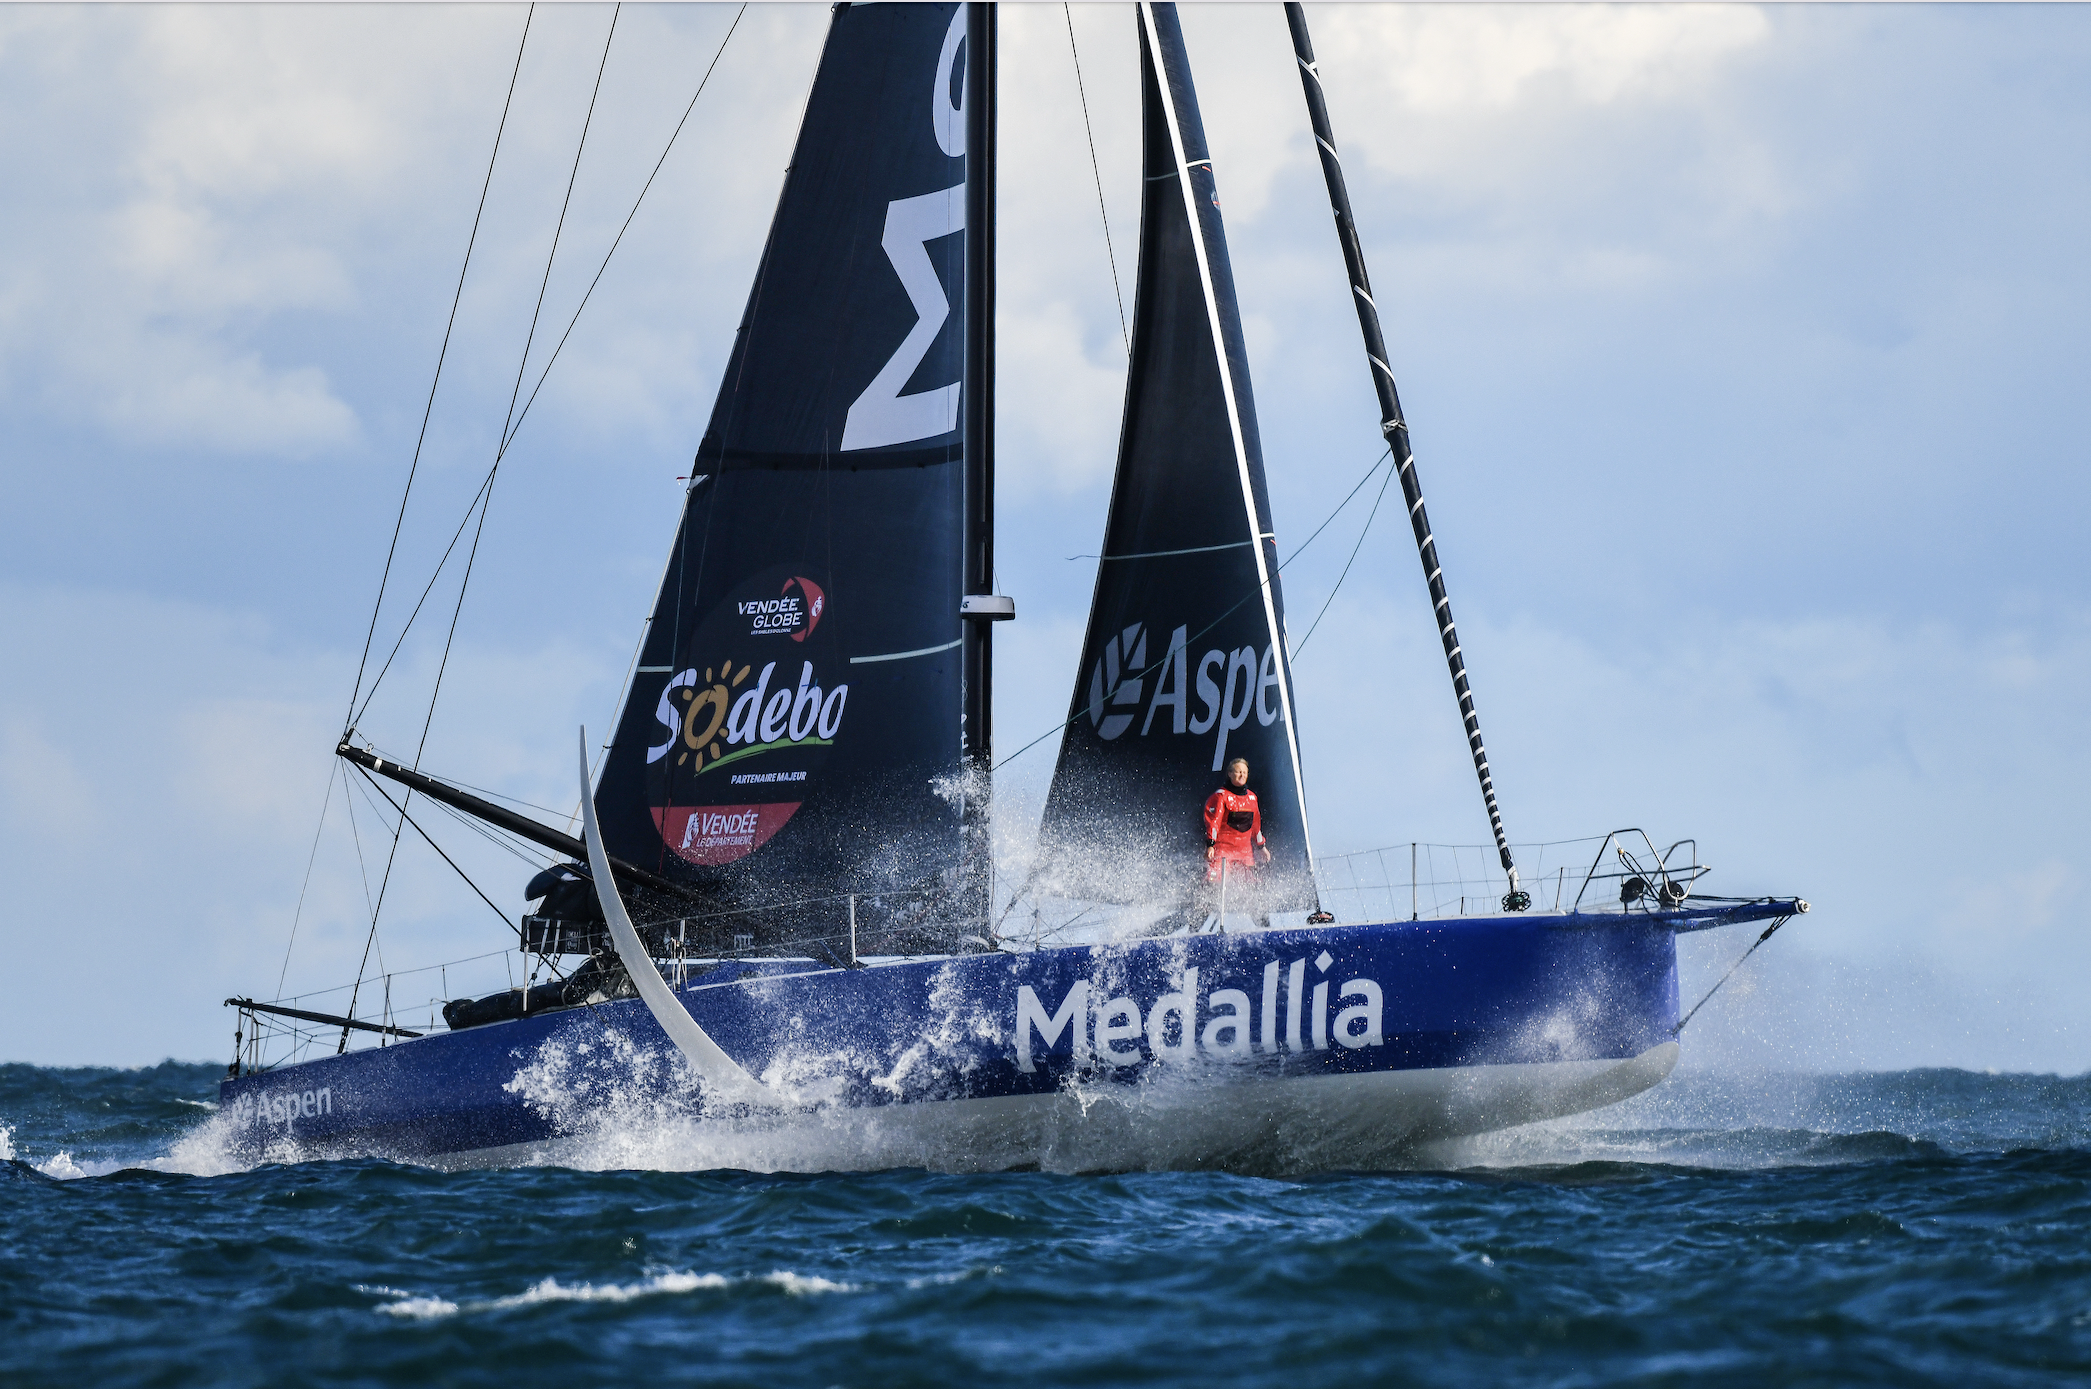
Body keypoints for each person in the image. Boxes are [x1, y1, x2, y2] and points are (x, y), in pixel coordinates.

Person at [1201, 756, 1270, 929]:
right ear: (1230, 774)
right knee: (1211, 887)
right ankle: (1194, 928)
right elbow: (1214, 821)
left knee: (1254, 888)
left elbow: (1256, 825)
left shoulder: (1252, 798)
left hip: (1244, 853)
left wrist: (1261, 847)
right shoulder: (1221, 796)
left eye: (1244, 772)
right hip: (1222, 852)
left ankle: (1266, 929)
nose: (1241, 775)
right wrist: (1210, 844)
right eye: (1238, 772)